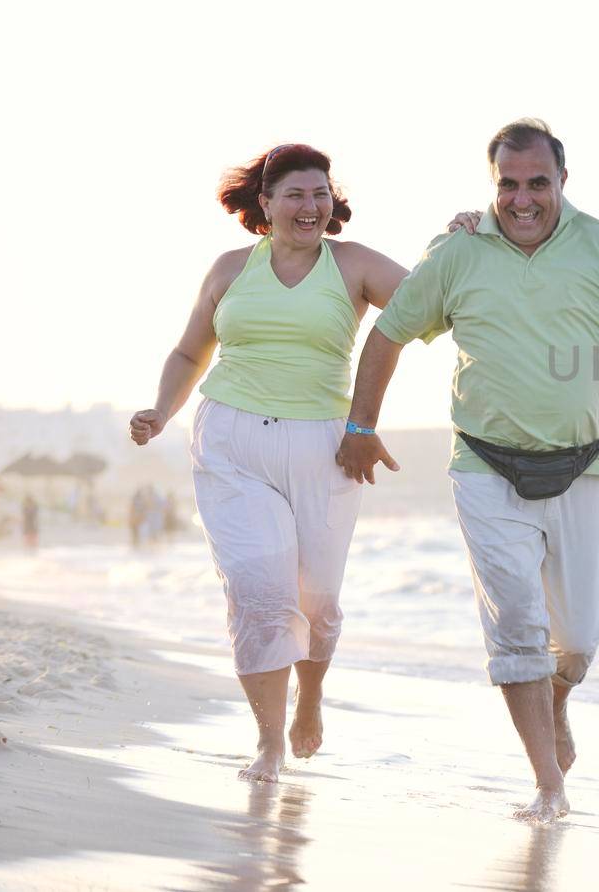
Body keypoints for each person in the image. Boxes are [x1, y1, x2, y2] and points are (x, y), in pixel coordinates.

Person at [336, 118, 599, 823]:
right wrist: (359, 426)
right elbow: (388, 333)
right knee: (518, 627)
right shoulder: (460, 251)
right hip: (484, 463)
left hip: (584, 465)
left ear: (563, 182)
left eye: (538, 184)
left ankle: (555, 700)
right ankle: (548, 785)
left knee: (579, 641)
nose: (522, 199)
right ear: (491, 183)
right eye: (508, 184)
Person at [127, 143, 422, 783]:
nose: (310, 206)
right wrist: (161, 410)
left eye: (319, 193)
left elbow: (432, 302)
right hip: (232, 439)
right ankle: (268, 743)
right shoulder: (231, 270)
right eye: (295, 194)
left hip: (325, 444)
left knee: (316, 600)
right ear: (265, 204)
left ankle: (309, 699)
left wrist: (464, 238)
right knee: (260, 591)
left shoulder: (353, 266)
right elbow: (187, 353)